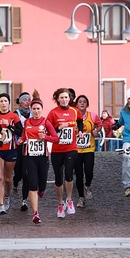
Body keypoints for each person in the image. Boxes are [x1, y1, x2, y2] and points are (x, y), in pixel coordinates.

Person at [17, 90, 59, 223]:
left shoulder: (46, 122)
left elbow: (56, 139)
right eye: (34, 109)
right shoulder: (27, 122)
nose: (36, 111)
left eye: (38, 109)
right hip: (29, 156)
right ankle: (35, 213)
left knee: (42, 183)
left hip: (42, 157)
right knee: (32, 184)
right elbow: (24, 136)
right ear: (31, 109)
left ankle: (42, 189)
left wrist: (45, 137)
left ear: (42, 109)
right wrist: (20, 141)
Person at [46, 88, 83, 218]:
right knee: (58, 178)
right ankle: (60, 203)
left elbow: (80, 120)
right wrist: (58, 128)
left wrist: (80, 131)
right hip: (57, 149)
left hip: (71, 148)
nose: (64, 100)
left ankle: (69, 200)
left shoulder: (74, 110)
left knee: (68, 174)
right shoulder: (53, 113)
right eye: (61, 97)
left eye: (66, 97)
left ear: (70, 98)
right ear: (57, 99)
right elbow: (48, 131)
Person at [0, 93, 23, 215]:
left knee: (7, 178)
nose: (3, 103)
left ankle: (7, 195)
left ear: (8, 103)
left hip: (11, 150)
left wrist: (9, 125)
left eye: (5, 101)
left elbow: (21, 131)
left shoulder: (13, 116)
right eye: (1, 101)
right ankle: (1, 205)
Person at [74, 95, 102, 208]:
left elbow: (99, 124)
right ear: (76, 104)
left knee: (89, 171)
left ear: (87, 104)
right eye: (80, 102)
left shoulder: (93, 115)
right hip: (76, 150)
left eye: (84, 102)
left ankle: (88, 185)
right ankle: (81, 198)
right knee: (79, 174)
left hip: (89, 148)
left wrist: (96, 130)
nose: (82, 103)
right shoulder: (73, 116)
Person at [12, 92, 32, 211]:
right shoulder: (16, 114)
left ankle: (24, 201)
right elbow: (16, 130)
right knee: (18, 172)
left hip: (30, 146)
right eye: (24, 100)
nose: (27, 102)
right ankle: (15, 183)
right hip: (18, 145)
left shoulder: (34, 112)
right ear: (20, 102)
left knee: (27, 174)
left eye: (29, 100)